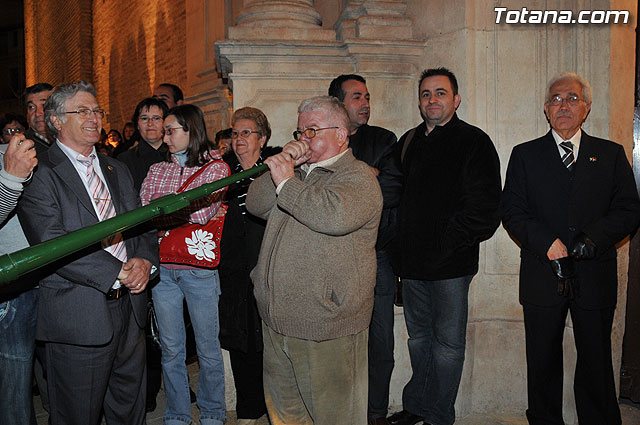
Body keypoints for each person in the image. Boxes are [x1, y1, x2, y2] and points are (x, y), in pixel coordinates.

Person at [502, 71, 640, 425]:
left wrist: (594, 238)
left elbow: (630, 209)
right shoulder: (525, 155)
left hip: (594, 274)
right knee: (543, 360)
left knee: (596, 359)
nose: (564, 105)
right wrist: (547, 243)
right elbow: (512, 212)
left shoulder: (609, 155)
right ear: (546, 110)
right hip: (542, 273)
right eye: (556, 100)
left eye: (572, 98)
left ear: (587, 108)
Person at [17, 80, 158, 425]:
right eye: (82, 111)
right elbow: (51, 242)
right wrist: (118, 271)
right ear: (56, 121)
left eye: (96, 110)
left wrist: (144, 262)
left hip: (130, 311)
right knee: (76, 415)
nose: (94, 117)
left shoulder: (116, 168)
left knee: (130, 410)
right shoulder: (38, 173)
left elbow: (140, 224)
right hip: (78, 315)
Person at [246, 95, 383, 425]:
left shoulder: (359, 177)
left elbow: (332, 217)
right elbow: (255, 203)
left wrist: (287, 182)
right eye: (299, 131)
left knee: (335, 417)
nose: (302, 139)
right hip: (278, 320)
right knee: (286, 416)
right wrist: (282, 167)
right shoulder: (298, 176)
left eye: (312, 130)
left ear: (341, 133)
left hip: (326, 325)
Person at [389, 68, 501, 425]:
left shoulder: (474, 141)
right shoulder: (407, 141)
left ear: (456, 99)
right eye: (425, 94)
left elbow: (486, 209)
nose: (431, 100)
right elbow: (393, 196)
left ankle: (439, 415)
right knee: (418, 341)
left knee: (449, 347)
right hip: (412, 267)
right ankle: (416, 406)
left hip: (452, 267)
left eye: (440, 93)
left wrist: (450, 242)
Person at [140, 104, 229, 425]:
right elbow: (146, 209)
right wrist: (178, 205)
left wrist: (166, 210)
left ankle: (213, 414)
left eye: (170, 130)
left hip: (199, 270)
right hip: (163, 269)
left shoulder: (216, 168)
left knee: (207, 348)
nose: (165, 138)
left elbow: (203, 213)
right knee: (172, 350)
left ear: (191, 131)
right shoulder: (156, 169)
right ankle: (177, 415)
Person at [329, 74, 401, 425]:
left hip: (377, 257)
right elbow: (316, 190)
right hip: (332, 257)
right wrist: (364, 175)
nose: (366, 103)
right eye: (357, 97)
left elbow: (392, 190)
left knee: (380, 341)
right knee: (336, 340)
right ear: (338, 104)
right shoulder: (322, 139)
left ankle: (375, 414)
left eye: (367, 96)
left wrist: (350, 181)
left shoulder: (385, 140)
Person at [218, 108, 280, 425]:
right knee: (240, 341)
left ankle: (274, 411)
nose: (239, 139)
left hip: (267, 269)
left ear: (263, 138)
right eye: (235, 133)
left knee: (268, 343)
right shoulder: (222, 176)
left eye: (247, 133)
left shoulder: (272, 174)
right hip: (232, 272)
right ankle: (246, 411)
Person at [0, 133, 38, 425]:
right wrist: (10, 180)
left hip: (24, 287)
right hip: (10, 290)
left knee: (17, 390)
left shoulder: (14, 152)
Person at [117, 97, 169, 191]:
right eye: (144, 118)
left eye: (156, 118)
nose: (150, 123)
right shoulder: (125, 160)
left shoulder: (177, 156)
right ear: (137, 124)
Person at [23, 83, 54, 154]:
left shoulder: (72, 141)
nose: (37, 113)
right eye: (31, 107)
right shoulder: (21, 149)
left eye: (44, 106)